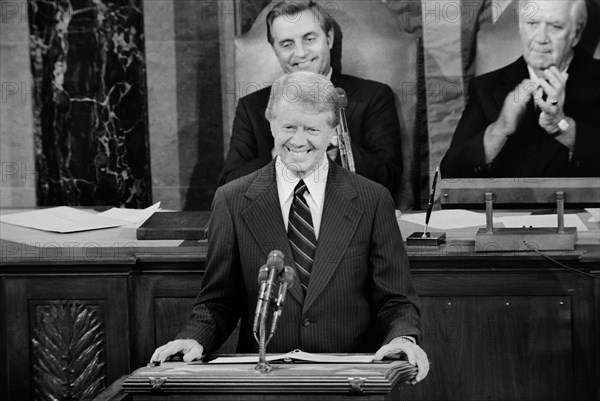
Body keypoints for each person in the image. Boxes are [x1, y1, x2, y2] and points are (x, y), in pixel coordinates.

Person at [152, 71, 429, 384]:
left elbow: (395, 300)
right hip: (265, 381)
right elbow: (218, 301)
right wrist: (194, 339)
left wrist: (403, 340)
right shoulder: (231, 200)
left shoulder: (372, 199)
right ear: (271, 124)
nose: (298, 140)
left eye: (312, 128)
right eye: (288, 127)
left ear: (333, 131)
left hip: (350, 379)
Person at [218, 0, 403, 199]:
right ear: (275, 50)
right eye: (287, 44)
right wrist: (278, 156)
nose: (301, 53)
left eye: (309, 39)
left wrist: (337, 147)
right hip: (274, 221)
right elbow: (228, 187)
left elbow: (389, 179)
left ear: (329, 38)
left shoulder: (373, 97)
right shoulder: (251, 107)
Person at [441, 0, 600, 178]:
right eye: (532, 23)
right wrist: (500, 129)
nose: (541, 38)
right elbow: (451, 174)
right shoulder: (486, 87)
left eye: (555, 26)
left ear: (576, 34)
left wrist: (564, 128)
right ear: (520, 26)